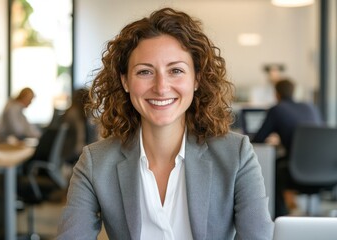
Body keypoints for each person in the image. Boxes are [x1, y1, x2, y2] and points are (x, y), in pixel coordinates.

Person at [57, 7, 273, 239]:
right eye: (145, 72)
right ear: (125, 81)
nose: (161, 87)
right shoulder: (95, 162)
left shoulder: (236, 154)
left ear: (196, 79)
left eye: (176, 70)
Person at [252, 78, 323, 217]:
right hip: (323, 169)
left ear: (276, 94)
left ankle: (279, 214)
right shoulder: (310, 107)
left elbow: (258, 139)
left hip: (296, 169)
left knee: (273, 168)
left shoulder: (277, 109)